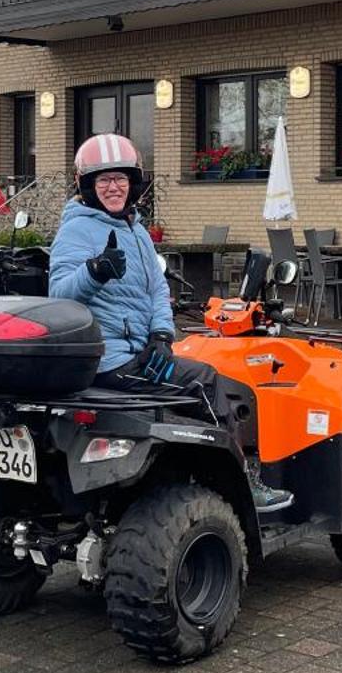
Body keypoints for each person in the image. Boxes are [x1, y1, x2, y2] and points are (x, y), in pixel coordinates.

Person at [50, 133, 292, 512]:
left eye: (120, 179)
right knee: (207, 381)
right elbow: (60, 297)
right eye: (103, 180)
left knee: (189, 377)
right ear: (88, 186)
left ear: (132, 185)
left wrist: (162, 335)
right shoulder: (77, 229)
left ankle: (189, 473)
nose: (113, 187)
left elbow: (156, 292)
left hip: (139, 352)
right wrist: (94, 271)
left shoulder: (137, 231)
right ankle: (244, 487)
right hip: (110, 360)